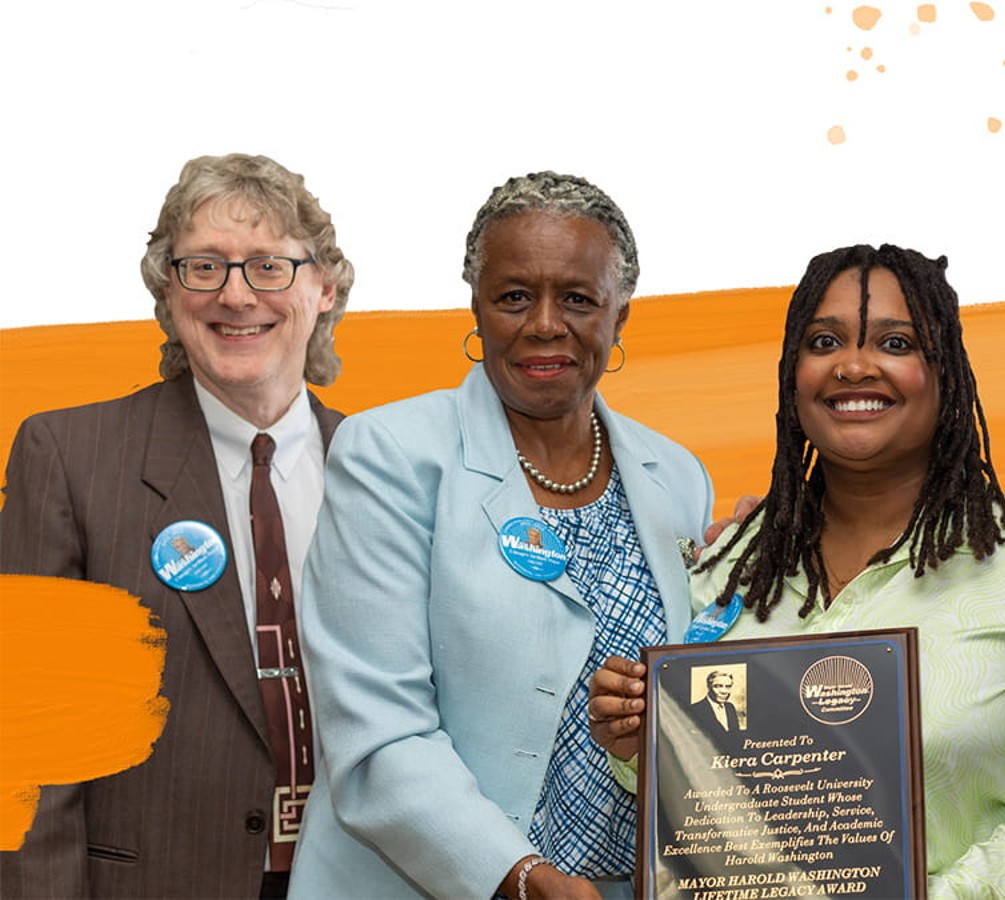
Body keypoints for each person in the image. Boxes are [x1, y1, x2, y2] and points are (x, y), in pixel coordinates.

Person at [591, 244, 1005, 898]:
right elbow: (695, 801)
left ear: (945, 374)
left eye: (895, 342)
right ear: (793, 375)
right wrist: (634, 741)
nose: (853, 366)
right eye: (824, 341)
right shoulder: (733, 564)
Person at [288, 172, 714, 900]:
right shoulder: (387, 455)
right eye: (514, 296)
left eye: (578, 298)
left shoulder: (675, 475)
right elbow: (378, 731)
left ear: (621, 315)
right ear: (477, 306)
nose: (544, 323)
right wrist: (518, 877)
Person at [0, 154, 353, 898]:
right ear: (169, 291)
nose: (235, 295)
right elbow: (34, 758)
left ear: (324, 288)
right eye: (203, 267)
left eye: (268, 267)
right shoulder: (67, 459)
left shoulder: (384, 466)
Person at [690, 670, 741, 742]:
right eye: (718, 686)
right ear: (709, 687)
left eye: (728, 686)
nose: (724, 691)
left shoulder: (730, 707)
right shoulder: (696, 709)